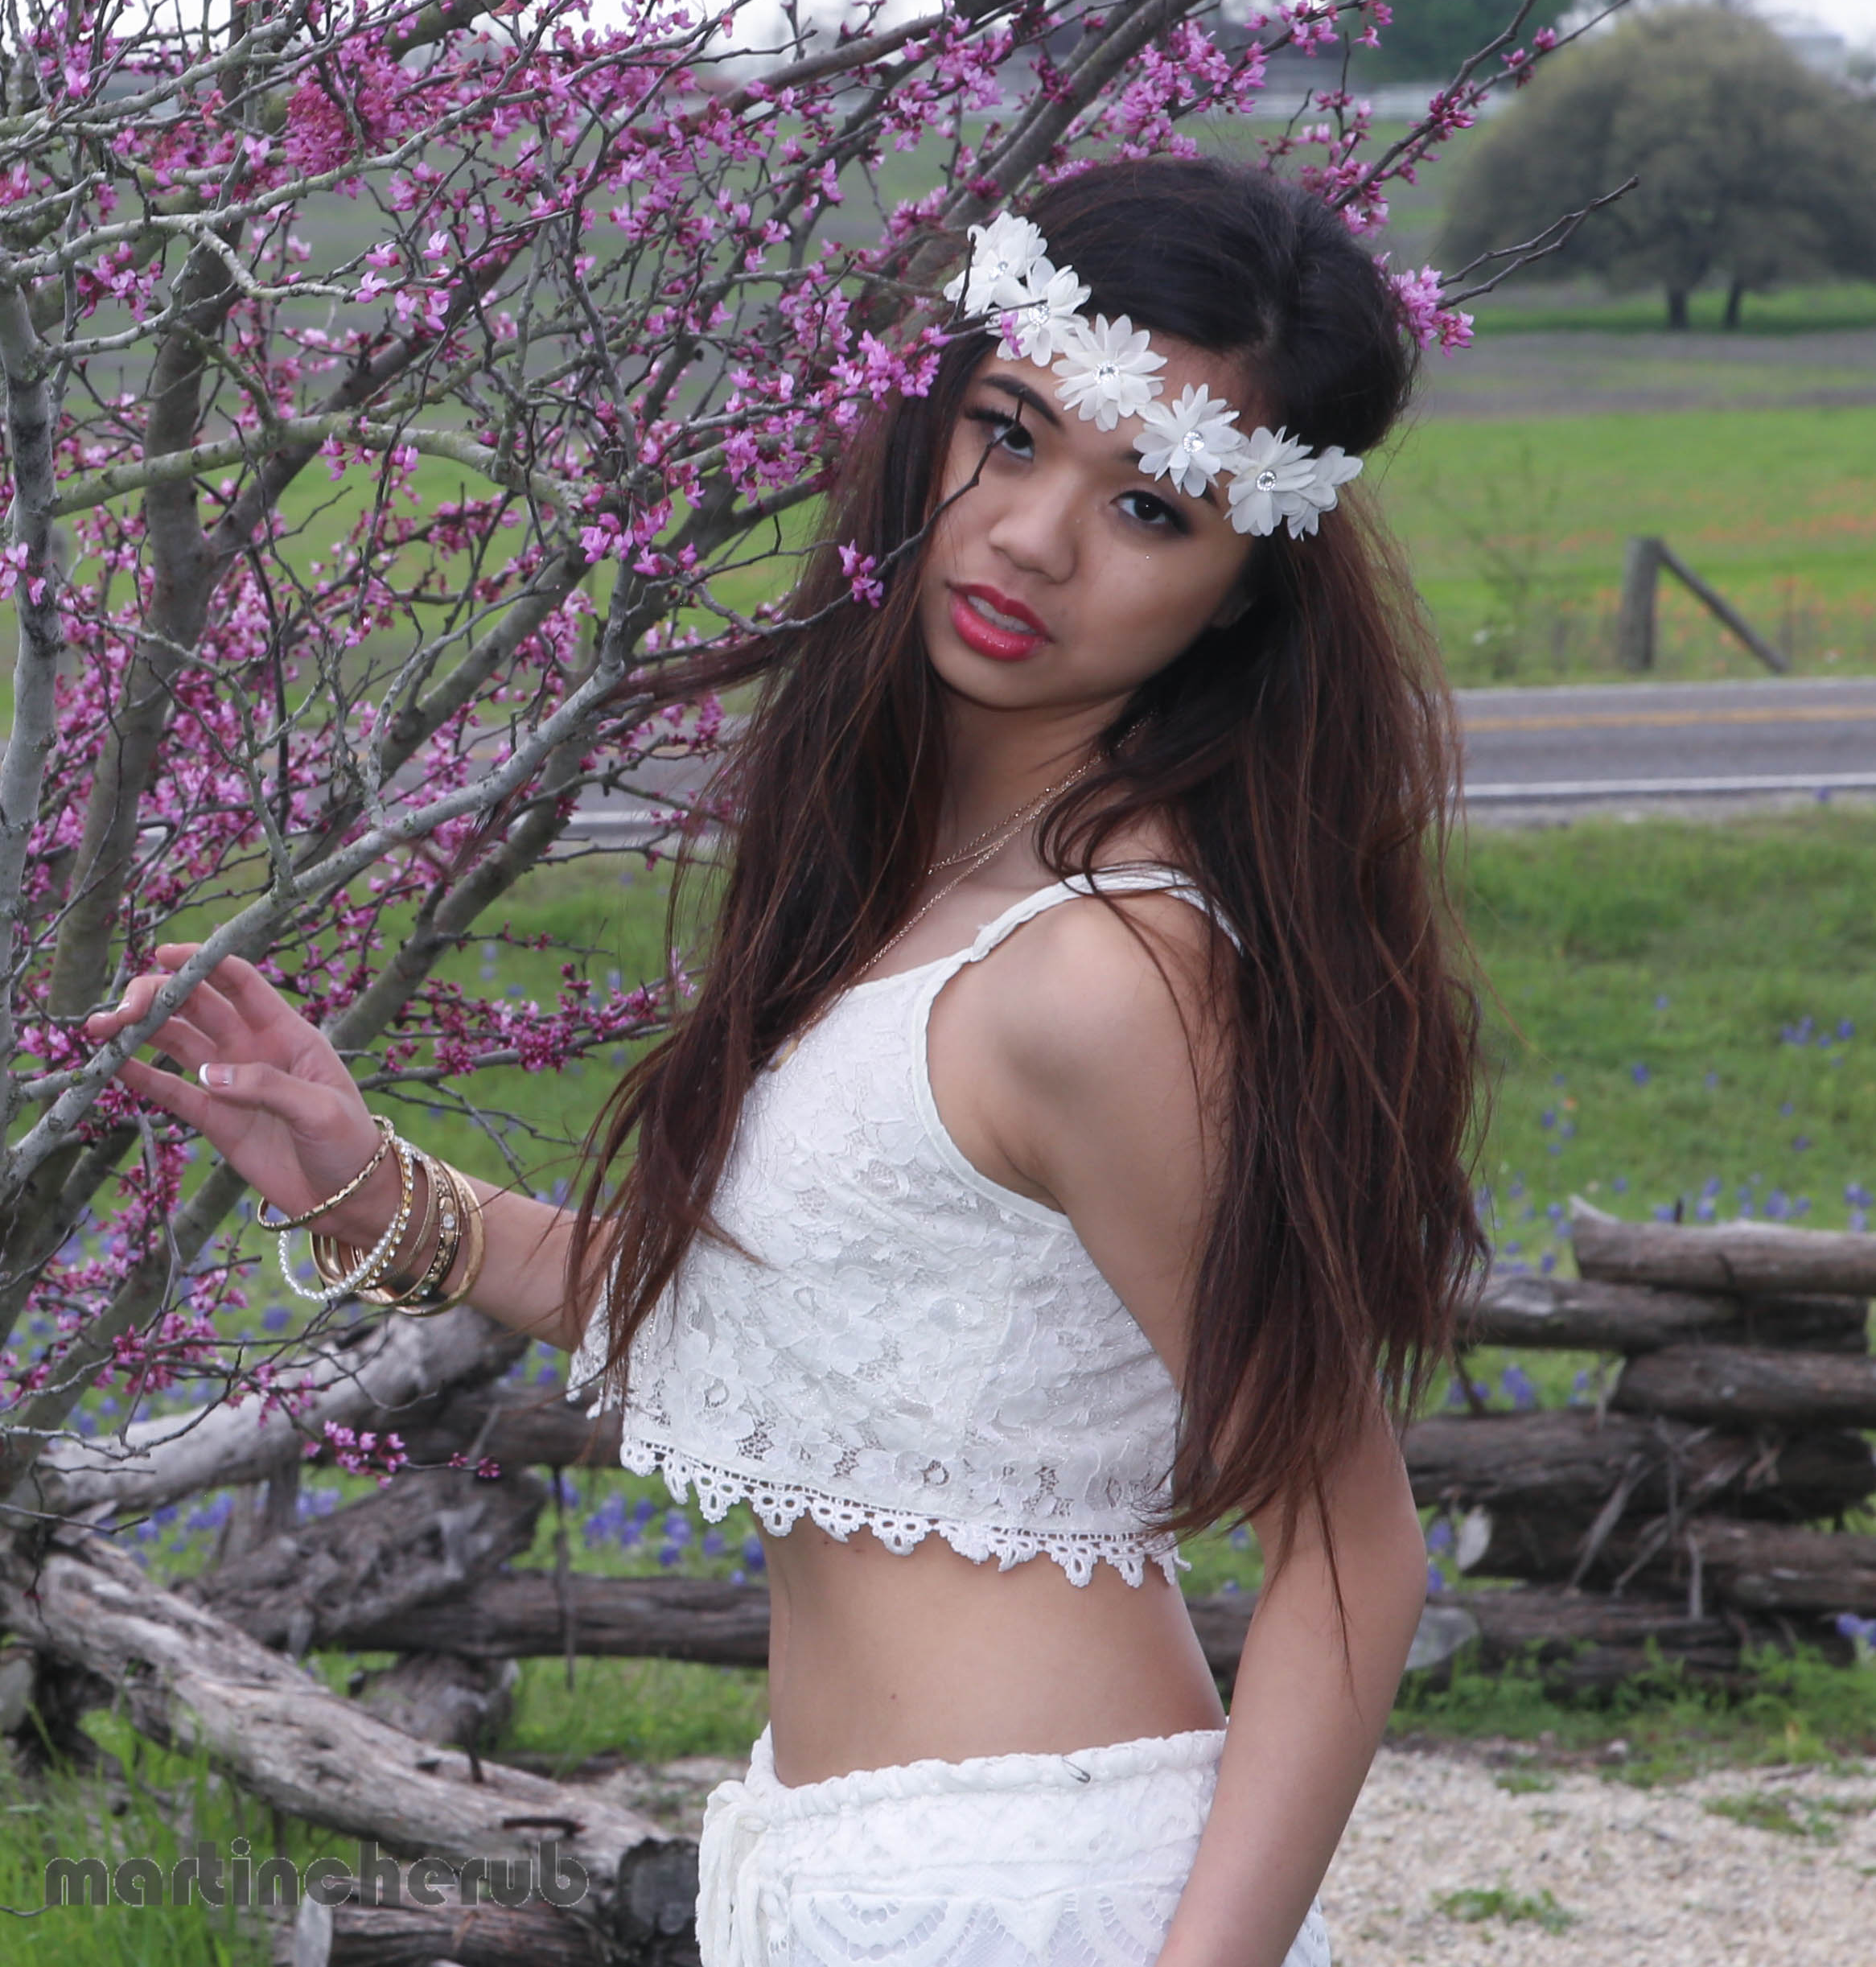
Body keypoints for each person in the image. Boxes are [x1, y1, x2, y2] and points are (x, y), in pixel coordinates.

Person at [91, 155, 1483, 1967]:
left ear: (1238, 587)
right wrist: (375, 1190)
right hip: (838, 1857)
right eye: (1008, 432)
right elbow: (815, 1321)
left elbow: (1348, 1546)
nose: (1032, 536)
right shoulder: (928, 883)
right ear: (931, 421)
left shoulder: (1104, 977)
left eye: (1149, 506)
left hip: (1024, 1895)